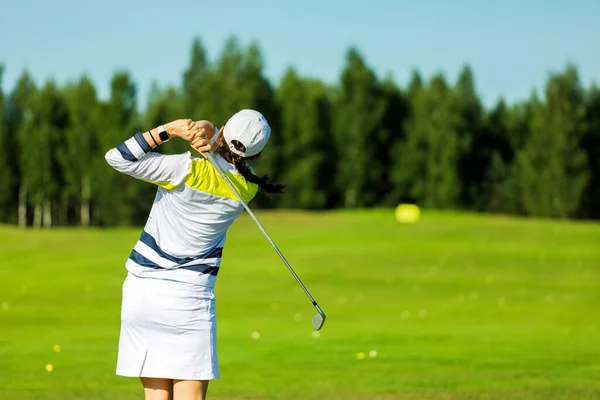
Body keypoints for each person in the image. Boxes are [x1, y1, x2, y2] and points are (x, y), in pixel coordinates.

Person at [104, 109, 284, 400]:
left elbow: (117, 157)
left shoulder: (183, 169)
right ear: (256, 156)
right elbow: (227, 150)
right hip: (189, 302)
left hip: (141, 293)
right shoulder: (247, 188)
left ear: (223, 131)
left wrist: (171, 130)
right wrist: (206, 133)